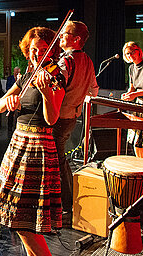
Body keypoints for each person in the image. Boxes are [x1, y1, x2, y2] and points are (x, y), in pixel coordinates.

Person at [0, 27, 66, 256]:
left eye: (44, 50)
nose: (39, 54)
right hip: (18, 145)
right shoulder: (25, 76)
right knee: (18, 219)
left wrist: (45, 92)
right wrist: (10, 100)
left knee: (23, 220)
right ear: (27, 51)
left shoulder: (56, 78)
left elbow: (51, 118)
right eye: (34, 49)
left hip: (38, 148)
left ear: (52, 51)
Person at [53, 21, 99, 217]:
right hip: (72, 117)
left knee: (57, 159)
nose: (60, 36)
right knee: (60, 158)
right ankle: (67, 200)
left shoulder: (66, 61)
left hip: (57, 116)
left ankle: (65, 203)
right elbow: (94, 91)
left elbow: (56, 86)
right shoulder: (87, 61)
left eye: (65, 34)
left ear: (76, 39)